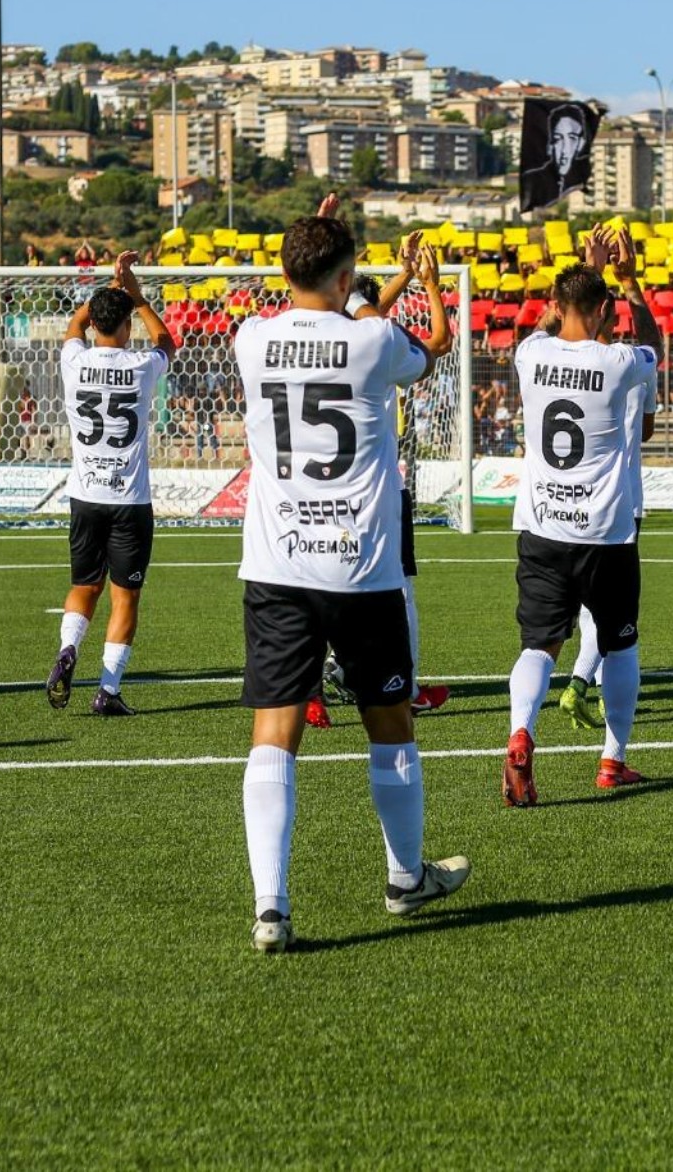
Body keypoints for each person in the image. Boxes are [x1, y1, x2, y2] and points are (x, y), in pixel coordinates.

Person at [231, 209, 469, 952]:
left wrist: (335, 271)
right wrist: (363, 292)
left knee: (274, 734)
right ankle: (405, 877)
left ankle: (271, 906)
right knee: (389, 727)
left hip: (276, 566)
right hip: (360, 569)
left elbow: (306, 310)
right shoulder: (370, 338)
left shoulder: (251, 339)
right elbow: (429, 350)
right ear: (343, 277)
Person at [503, 223, 659, 805]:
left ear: (555, 306)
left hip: (542, 526)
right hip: (607, 532)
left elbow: (551, 322)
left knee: (537, 647)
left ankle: (521, 731)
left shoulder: (529, 353)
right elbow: (654, 346)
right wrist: (628, 279)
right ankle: (612, 760)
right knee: (620, 645)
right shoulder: (618, 361)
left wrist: (582, 274)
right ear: (601, 310)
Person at [305, 217, 454, 728]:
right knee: (397, 588)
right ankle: (403, 686)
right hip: (373, 486)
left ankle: (313, 689)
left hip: (310, 485)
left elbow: (368, 310)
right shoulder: (374, 346)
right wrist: (429, 284)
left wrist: (402, 273)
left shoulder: (318, 341)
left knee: (315, 586)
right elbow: (438, 342)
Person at [46, 252, 175, 717]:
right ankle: (108, 689)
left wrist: (104, 292)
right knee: (126, 595)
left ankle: (67, 649)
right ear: (125, 326)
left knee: (84, 584)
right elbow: (167, 341)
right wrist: (137, 296)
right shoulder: (141, 366)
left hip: (84, 495)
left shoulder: (73, 360)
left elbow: (72, 328)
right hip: (128, 500)